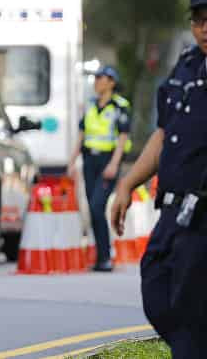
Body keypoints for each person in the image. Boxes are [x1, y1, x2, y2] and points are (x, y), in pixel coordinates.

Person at [111, 0, 207, 356]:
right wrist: (126, 183)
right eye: (198, 20)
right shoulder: (185, 66)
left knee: (187, 303)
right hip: (173, 210)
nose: (204, 28)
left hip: (203, 215)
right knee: (156, 288)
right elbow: (164, 134)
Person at [67, 65, 132, 272]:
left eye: (101, 78)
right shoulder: (90, 105)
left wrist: (114, 164)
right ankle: (100, 256)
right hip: (89, 161)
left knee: (97, 207)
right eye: (95, 78)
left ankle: (105, 256)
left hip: (107, 161)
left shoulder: (120, 106)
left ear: (111, 82)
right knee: (92, 209)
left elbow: (122, 138)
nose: (97, 82)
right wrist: (72, 161)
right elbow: (82, 134)